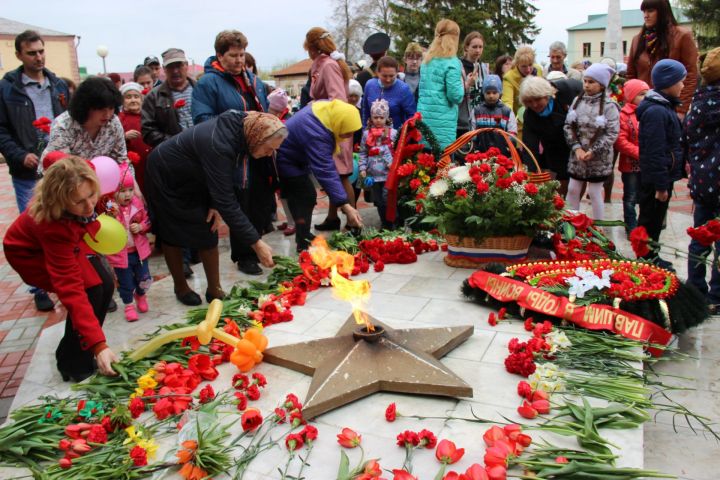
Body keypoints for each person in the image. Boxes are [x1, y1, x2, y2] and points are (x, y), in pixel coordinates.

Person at [145, 110, 285, 305]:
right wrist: (256, 242)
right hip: (166, 175)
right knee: (171, 232)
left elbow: (221, 181)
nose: (269, 154)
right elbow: (227, 200)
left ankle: (214, 289)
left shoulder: (245, 129)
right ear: (257, 137)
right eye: (269, 149)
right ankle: (181, 287)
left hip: (198, 173)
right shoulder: (219, 144)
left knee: (208, 227)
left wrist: (213, 204)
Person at [3, 156, 118, 381]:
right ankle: (73, 362)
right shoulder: (52, 225)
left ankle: (83, 349)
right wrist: (99, 344)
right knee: (89, 291)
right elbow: (71, 290)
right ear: (60, 199)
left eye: (91, 195)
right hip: (30, 254)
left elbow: (54, 158)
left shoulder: (82, 174)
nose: (89, 205)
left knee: (104, 282)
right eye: (78, 201)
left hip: (71, 237)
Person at [0, 29, 71, 311]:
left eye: (41, 51)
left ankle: (71, 281)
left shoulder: (58, 84)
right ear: (19, 55)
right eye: (32, 53)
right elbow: (2, 131)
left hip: (60, 169)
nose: (39, 57)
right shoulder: (7, 89)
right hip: (27, 172)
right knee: (36, 226)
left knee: (66, 224)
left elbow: (68, 121)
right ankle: (39, 286)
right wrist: (20, 155)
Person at [276, 99, 364, 251]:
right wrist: (346, 206)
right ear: (340, 121)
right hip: (287, 159)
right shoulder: (317, 132)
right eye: (347, 130)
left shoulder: (326, 113)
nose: (349, 136)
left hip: (297, 158)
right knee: (304, 197)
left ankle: (303, 235)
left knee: (306, 197)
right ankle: (302, 242)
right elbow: (325, 170)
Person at [304, 27, 360, 233]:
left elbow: (337, 99)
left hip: (334, 127)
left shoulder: (328, 66)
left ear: (311, 47)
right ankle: (332, 217)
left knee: (341, 175)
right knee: (333, 175)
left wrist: (316, 108)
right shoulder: (325, 64)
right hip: (329, 125)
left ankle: (353, 220)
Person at [636, 59, 687, 268]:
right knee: (650, 219)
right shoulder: (657, 111)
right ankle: (646, 259)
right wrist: (660, 185)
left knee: (656, 220)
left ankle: (651, 255)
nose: (683, 86)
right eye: (680, 81)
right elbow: (655, 152)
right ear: (669, 82)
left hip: (661, 175)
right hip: (655, 178)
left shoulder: (664, 107)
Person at [685, 48, 720, 310]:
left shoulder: (697, 102)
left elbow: (689, 140)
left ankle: (695, 288)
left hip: (702, 180)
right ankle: (717, 295)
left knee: (700, 236)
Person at [563, 63, 620, 221]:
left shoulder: (610, 106)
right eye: (585, 81)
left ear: (602, 85)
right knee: (573, 189)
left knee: (594, 193)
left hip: (598, 159)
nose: (586, 85)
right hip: (578, 157)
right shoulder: (577, 101)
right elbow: (568, 126)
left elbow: (611, 132)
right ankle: (571, 224)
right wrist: (576, 148)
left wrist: (593, 150)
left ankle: (598, 227)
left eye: (591, 82)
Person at [626, 0, 698, 118]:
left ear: (662, 12)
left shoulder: (682, 36)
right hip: (642, 108)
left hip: (670, 108)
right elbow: (630, 76)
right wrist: (630, 106)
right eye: (644, 11)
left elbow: (690, 75)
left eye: (650, 11)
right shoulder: (637, 40)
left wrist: (681, 110)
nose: (646, 15)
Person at [42, 76, 128, 165]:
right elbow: (62, 167)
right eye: (100, 109)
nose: (107, 114)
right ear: (86, 106)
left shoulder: (114, 122)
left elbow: (121, 159)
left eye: (111, 108)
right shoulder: (63, 125)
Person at [521, 76, 583, 196]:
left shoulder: (565, 93)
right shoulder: (529, 115)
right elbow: (530, 147)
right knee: (561, 179)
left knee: (578, 179)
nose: (534, 105)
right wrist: (531, 175)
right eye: (529, 101)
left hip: (577, 140)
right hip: (553, 145)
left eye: (537, 99)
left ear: (547, 95)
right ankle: (562, 206)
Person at [106, 163, 152, 322]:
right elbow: (105, 227)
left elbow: (148, 221)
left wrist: (141, 226)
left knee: (144, 277)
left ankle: (141, 295)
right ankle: (128, 304)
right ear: (114, 192)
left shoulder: (138, 205)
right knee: (125, 282)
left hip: (139, 252)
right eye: (122, 191)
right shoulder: (110, 208)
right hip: (121, 255)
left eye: (130, 190)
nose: (128, 195)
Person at [192, 30, 269, 123]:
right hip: (227, 137)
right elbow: (202, 121)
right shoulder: (207, 83)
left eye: (242, 55)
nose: (239, 60)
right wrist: (240, 122)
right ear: (220, 56)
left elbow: (266, 110)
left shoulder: (255, 81)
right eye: (233, 56)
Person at [417, 19, 464, 151]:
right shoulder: (452, 62)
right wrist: (463, 85)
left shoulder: (427, 61)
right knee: (444, 168)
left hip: (424, 124)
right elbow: (456, 96)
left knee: (423, 167)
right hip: (443, 128)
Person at [141, 48, 197, 147]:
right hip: (174, 155)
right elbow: (147, 131)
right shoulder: (153, 96)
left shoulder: (200, 89)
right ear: (164, 68)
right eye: (170, 66)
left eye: (179, 65)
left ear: (186, 65)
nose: (175, 71)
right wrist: (174, 142)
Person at [615, 79, 650, 234]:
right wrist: (639, 153)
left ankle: (643, 225)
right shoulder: (624, 115)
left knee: (645, 196)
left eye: (647, 93)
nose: (646, 97)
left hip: (647, 164)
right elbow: (620, 141)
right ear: (631, 96)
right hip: (630, 164)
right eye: (641, 94)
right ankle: (631, 226)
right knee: (630, 197)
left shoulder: (650, 111)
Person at [359, 99, 397, 229]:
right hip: (373, 175)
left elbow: (398, 152)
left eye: (381, 117)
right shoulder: (366, 134)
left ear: (386, 118)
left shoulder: (393, 133)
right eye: (375, 117)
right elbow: (363, 152)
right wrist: (363, 167)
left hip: (388, 173)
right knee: (379, 201)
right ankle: (384, 223)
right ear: (371, 118)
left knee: (388, 199)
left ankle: (391, 222)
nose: (378, 120)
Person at [360, 56, 416, 130]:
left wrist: (404, 136)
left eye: (391, 76)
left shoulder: (403, 89)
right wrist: (365, 130)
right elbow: (365, 110)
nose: (388, 79)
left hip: (395, 136)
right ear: (378, 73)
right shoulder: (370, 85)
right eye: (384, 76)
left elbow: (411, 115)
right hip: (372, 136)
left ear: (397, 73)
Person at [502, 45, 543, 137]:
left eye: (530, 65)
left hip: (540, 120)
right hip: (520, 123)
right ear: (517, 64)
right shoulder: (509, 77)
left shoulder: (539, 70)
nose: (528, 69)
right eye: (524, 66)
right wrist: (511, 120)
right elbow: (507, 103)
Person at [118, 82, 152, 193]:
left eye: (136, 96)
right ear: (123, 101)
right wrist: (124, 137)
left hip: (150, 162)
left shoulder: (148, 116)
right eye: (128, 97)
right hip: (132, 166)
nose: (133, 100)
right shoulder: (119, 119)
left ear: (142, 99)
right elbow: (112, 142)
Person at [472, 75, 517, 153]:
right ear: (483, 93)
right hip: (481, 154)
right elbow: (472, 133)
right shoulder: (477, 111)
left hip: (502, 154)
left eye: (494, 92)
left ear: (500, 92)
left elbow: (512, 133)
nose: (491, 96)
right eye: (488, 93)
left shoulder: (506, 111)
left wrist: (507, 147)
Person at [458, 32, 490, 140]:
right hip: (460, 121)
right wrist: (467, 85)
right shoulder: (457, 66)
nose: (478, 50)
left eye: (480, 47)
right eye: (474, 47)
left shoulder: (483, 68)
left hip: (479, 120)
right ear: (466, 47)